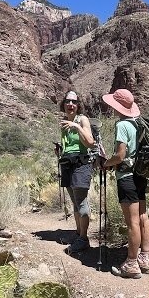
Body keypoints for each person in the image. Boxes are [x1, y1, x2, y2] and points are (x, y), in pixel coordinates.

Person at [99, 88, 149, 279]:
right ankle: (145, 259)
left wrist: (106, 163)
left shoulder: (122, 125)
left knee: (132, 222)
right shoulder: (139, 124)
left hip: (127, 177)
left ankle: (131, 263)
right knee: (144, 217)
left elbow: (120, 155)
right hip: (140, 175)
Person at [58, 90, 95, 254]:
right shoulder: (64, 121)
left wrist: (76, 126)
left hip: (81, 163)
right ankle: (78, 233)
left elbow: (90, 142)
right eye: (67, 101)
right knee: (74, 202)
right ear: (63, 104)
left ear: (78, 105)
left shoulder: (82, 119)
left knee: (81, 201)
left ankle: (84, 239)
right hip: (67, 162)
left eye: (73, 102)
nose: (70, 104)